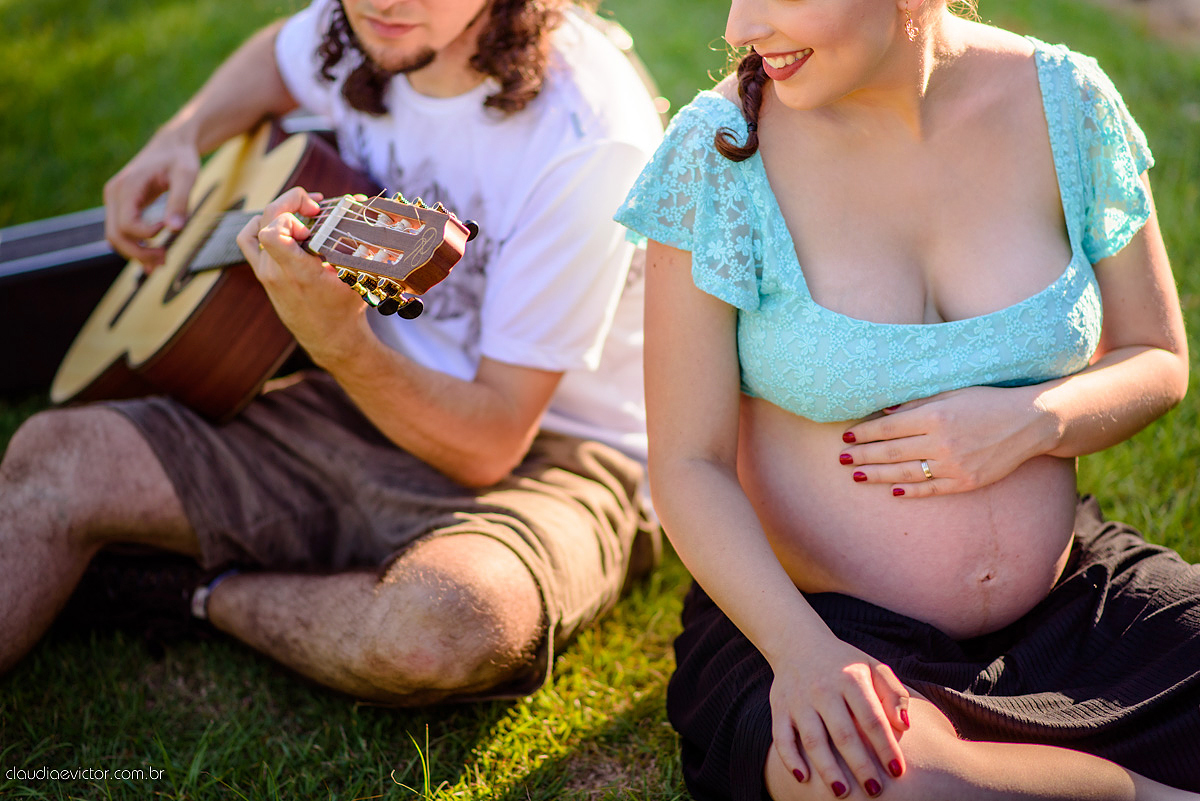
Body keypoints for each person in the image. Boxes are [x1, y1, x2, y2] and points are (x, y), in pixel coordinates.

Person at [0, 0, 664, 705]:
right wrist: (181, 137)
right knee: (57, 457)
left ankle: (201, 591)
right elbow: (274, 57)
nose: (385, 1)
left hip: (555, 458)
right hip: (357, 401)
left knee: (436, 627)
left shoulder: (588, 137)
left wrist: (337, 341)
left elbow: (491, 443)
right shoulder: (365, 29)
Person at [616, 0, 1198, 797]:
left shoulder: (1064, 101)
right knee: (897, 781)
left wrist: (1033, 421)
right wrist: (802, 653)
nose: (742, 25)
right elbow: (688, 463)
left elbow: (1157, 357)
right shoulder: (717, 152)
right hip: (817, 621)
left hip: (1074, 607)